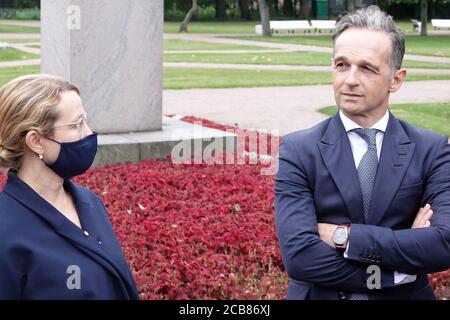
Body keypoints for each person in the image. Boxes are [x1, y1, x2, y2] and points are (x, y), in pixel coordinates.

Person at [275, 6, 450, 300]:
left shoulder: (431, 149)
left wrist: (344, 236)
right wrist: (396, 271)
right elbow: (300, 256)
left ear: (396, 79)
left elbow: (443, 244)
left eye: (367, 68)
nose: (350, 79)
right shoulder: (298, 149)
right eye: (342, 65)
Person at [0, 74, 139, 299]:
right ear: (36, 141)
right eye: (76, 125)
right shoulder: (6, 232)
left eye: (85, 120)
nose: (88, 133)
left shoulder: (89, 202)